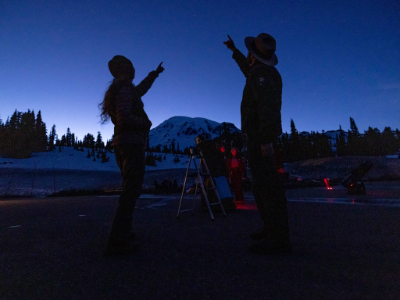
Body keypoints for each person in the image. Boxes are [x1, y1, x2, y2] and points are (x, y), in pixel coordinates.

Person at [223, 33, 291, 254]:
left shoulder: (262, 75)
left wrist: (266, 141)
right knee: (261, 186)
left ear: (254, 55)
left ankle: (278, 239)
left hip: (261, 138)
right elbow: (247, 68)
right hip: (258, 137)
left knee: (268, 188)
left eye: (250, 53)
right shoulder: (258, 72)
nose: (249, 55)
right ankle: (271, 229)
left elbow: (267, 109)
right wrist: (234, 51)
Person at [99, 55, 164, 256]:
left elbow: (141, 89)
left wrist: (154, 74)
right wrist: (145, 124)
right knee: (130, 191)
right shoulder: (125, 89)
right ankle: (117, 241)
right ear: (126, 70)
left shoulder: (124, 89)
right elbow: (124, 117)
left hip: (125, 143)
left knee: (131, 189)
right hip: (130, 143)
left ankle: (123, 233)